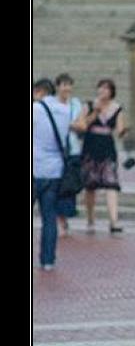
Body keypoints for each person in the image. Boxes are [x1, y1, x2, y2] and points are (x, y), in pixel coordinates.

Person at [79, 78, 127, 234]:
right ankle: (90, 219)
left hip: (107, 147)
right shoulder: (89, 105)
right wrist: (96, 112)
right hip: (90, 146)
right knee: (90, 186)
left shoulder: (117, 108)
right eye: (100, 88)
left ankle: (114, 221)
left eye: (106, 88)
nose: (102, 91)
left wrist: (123, 131)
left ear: (111, 91)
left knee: (111, 184)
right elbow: (83, 125)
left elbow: (119, 129)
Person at [33, 80, 72, 270]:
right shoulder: (65, 111)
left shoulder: (35, 109)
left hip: (35, 168)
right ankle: (48, 260)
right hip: (55, 171)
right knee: (49, 217)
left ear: (39, 91)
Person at [52, 73, 85, 236]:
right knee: (57, 186)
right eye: (63, 84)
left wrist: (67, 124)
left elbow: (82, 125)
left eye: (68, 84)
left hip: (72, 150)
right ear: (57, 86)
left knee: (69, 186)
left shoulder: (75, 104)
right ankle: (60, 220)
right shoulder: (51, 104)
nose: (66, 88)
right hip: (54, 152)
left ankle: (64, 216)